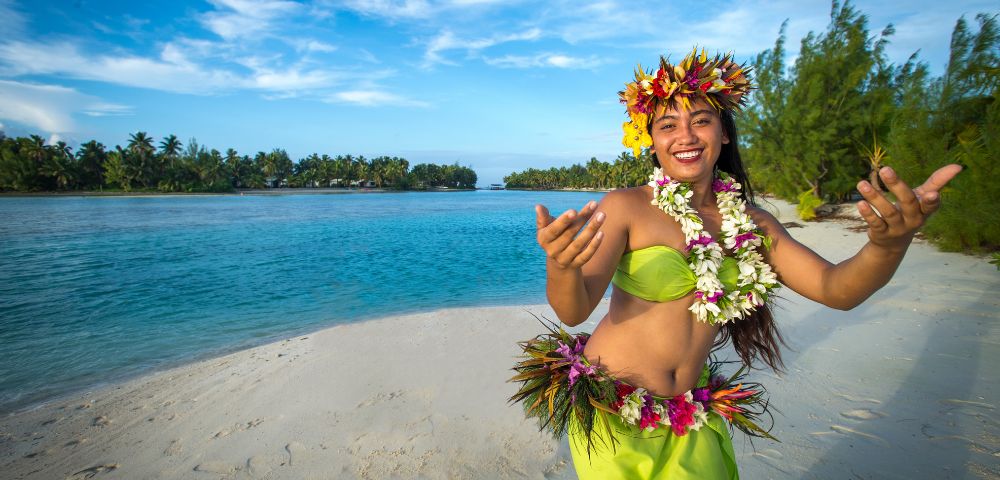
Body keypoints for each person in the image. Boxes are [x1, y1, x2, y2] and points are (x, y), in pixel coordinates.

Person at [509, 48, 962, 479]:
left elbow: (836, 290)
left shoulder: (752, 223)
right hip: (615, 409)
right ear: (651, 140)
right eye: (667, 125)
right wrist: (562, 267)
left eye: (701, 121)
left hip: (693, 410)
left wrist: (888, 246)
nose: (685, 136)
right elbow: (573, 311)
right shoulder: (627, 207)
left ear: (723, 133)